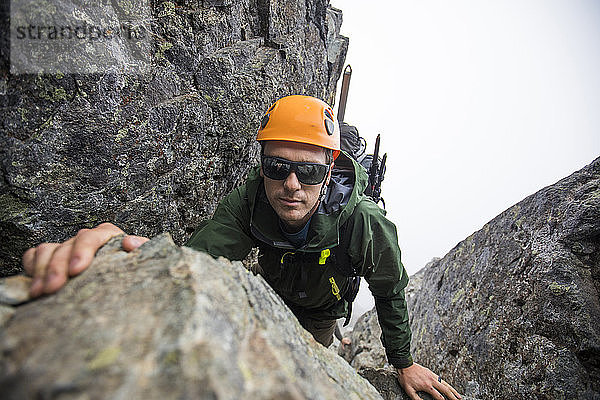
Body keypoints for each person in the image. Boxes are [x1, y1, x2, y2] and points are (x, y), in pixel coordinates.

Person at [22, 95, 461, 400]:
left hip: (323, 310)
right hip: (273, 294)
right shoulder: (252, 200)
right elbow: (196, 259)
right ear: (262, 163)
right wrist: (124, 255)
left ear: (329, 169)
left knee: (306, 366)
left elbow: (388, 290)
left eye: (307, 172)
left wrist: (402, 362)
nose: (291, 184)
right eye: (277, 165)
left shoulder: (365, 222)